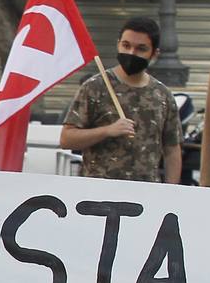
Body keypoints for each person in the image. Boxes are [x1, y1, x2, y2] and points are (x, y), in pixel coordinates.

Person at [59, 16, 182, 184]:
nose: (131, 53)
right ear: (118, 44)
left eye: (141, 48)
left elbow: (172, 149)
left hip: (147, 194)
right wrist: (107, 131)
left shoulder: (162, 95)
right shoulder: (95, 87)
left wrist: (172, 192)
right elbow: (67, 139)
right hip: (97, 191)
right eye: (126, 45)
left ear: (154, 53)